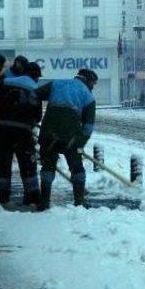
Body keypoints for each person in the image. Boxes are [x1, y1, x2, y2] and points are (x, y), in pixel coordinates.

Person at [36, 68, 97, 211]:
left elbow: (34, 95)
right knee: (77, 168)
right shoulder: (88, 96)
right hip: (71, 136)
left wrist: (36, 118)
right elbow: (88, 127)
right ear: (87, 80)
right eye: (93, 83)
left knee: (47, 166)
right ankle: (79, 201)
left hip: (48, 132)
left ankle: (44, 202)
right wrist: (80, 145)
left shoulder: (57, 84)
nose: (93, 86)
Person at [0, 62, 43, 205]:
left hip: (1, 129)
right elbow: (38, 116)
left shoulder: (6, 83)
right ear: (34, 76)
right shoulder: (35, 89)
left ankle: (3, 194)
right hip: (22, 132)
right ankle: (32, 193)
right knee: (27, 162)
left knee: (3, 161)